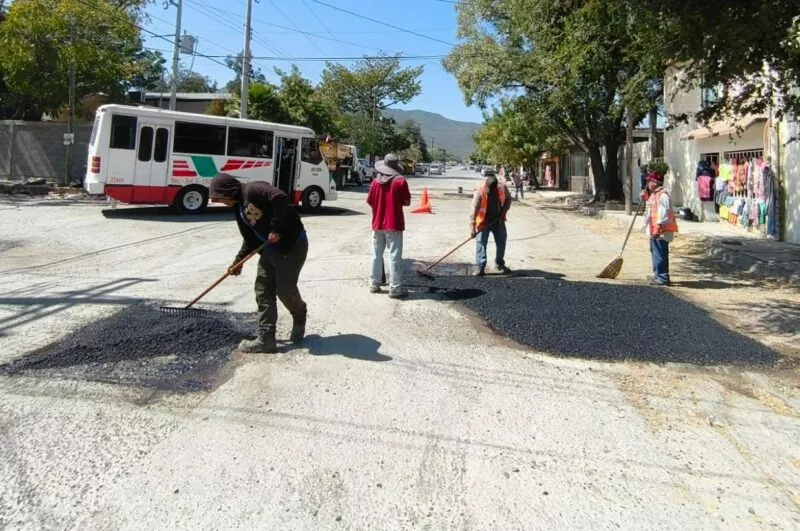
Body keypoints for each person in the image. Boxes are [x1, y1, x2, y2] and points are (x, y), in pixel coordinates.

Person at [209, 174, 308, 353]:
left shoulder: (253, 189)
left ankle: (299, 314)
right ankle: (266, 339)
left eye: (219, 197)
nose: (219, 201)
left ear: (227, 191)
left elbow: (280, 197)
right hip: (269, 250)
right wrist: (238, 262)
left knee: (285, 290)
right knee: (263, 290)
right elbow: (249, 239)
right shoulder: (238, 209)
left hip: (291, 246)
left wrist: (276, 229)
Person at [367, 153, 411, 298]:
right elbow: (406, 202)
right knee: (394, 256)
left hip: (377, 223)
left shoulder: (374, 183)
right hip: (394, 224)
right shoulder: (400, 182)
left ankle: (374, 283)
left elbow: (370, 202)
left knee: (376, 254)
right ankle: (395, 288)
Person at [470, 175, 512, 276]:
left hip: (498, 221)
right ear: (485, 185)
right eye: (488, 189)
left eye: (492, 190)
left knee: (501, 241)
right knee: (481, 243)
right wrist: (472, 227)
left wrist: (503, 213)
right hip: (483, 222)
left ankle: (499, 264)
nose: (489, 192)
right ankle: (480, 267)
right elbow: (473, 212)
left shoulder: (502, 189)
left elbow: (508, 200)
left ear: (496, 187)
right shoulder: (479, 192)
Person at [643, 172, 678, 286]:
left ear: (655, 183)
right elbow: (650, 209)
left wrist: (657, 228)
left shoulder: (663, 195)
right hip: (654, 229)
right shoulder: (654, 194)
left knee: (660, 253)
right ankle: (657, 274)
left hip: (661, 230)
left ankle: (662, 277)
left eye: (650, 181)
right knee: (655, 252)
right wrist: (646, 197)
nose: (647, 183)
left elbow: (663, 213)